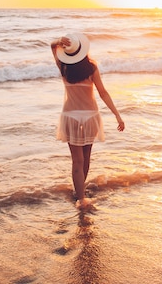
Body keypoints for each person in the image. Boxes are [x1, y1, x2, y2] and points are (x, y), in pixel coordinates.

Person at [51, 33, 125, 209]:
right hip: (90, 116)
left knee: (76, 160)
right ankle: (81, 194)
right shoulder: (91, 68)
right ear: (82, 51)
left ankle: (80, 197)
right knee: (86, 157)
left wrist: (59, 41)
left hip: (71, 117)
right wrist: (117, 115)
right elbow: (103, 92)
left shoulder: (63, 67)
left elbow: (52, 47)